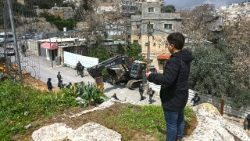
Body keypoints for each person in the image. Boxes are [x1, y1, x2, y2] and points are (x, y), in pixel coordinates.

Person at [146, 32, 193, 141]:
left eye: (167, 44)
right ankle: (179, 138)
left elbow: (167, 80)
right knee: (180, 119)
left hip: (172, 98)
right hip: (182, 96)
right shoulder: (185, 58)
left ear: (172, 46)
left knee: (171, 125)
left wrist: (151, 76)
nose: (166, 46)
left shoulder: (174, 61)